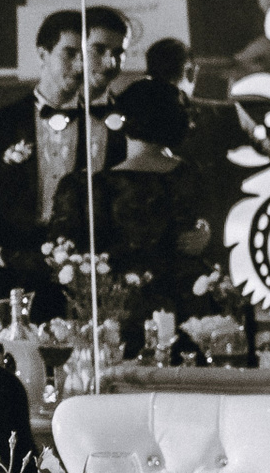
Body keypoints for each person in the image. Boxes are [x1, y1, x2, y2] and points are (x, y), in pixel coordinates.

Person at [0, 6, 129, 321]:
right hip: (13, 271)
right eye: (69, 54)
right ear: (42, 54)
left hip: (85, 271)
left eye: (83, 54)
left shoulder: (110, 122)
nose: (80, 65)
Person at [48, 76, 210, 325]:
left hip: (117, 309)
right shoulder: (192, 176)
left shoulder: (90, 187)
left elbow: (61, 255)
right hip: (188, 307)